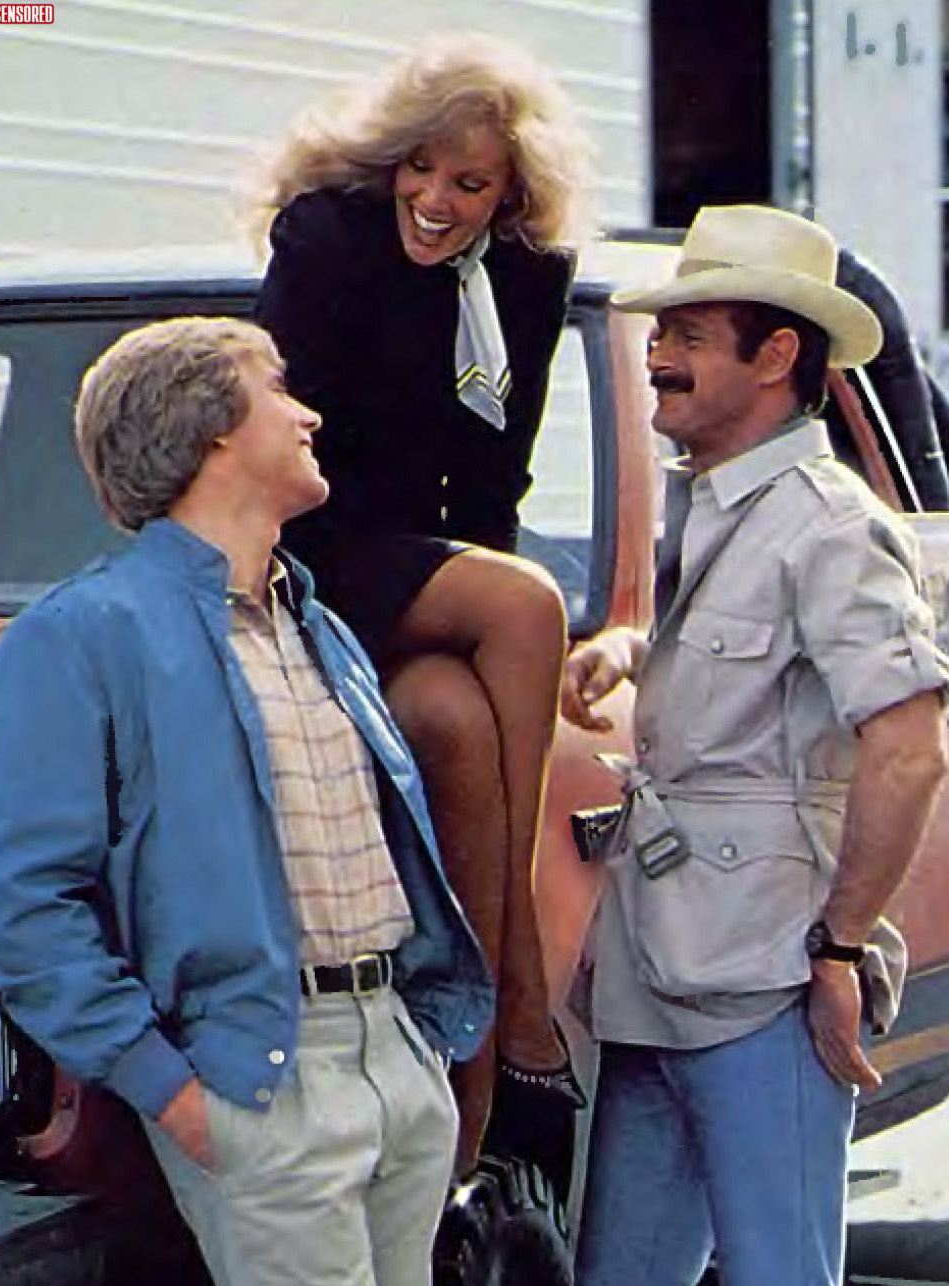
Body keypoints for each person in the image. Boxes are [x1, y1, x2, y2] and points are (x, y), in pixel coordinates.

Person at [0, 316, 494, 1286]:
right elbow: (19, 906)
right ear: (209, 432)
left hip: (392, 1056)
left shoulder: (313, 624)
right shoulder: (82, 635)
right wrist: (172, 1089)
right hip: (261, 1083)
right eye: (277, 391)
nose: (308, 413)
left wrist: (426, 1043)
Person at [562, 206, 949, 1286]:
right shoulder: (715, 498)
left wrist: (841, 945)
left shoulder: (826, 523)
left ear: (776, 355)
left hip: (767, 984)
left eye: (687, 331)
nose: (656, 353)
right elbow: (744, 677)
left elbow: (908, 743)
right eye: (660, 330)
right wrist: (632, 651)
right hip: (657, 969)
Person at [254, 34, 594, 1171]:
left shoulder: (526, 279)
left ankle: (467, 1106)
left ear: (511, 196)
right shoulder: (326, 237)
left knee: (453, 718)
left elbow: (495, 488)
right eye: (421, 168)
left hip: (425, 575)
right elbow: (283, 448)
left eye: (470, 182)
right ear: (390, 157)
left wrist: (470, 616)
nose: (436, 200)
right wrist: (481, 598)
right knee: (530, 607)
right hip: (315, 548)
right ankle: (527, 981)